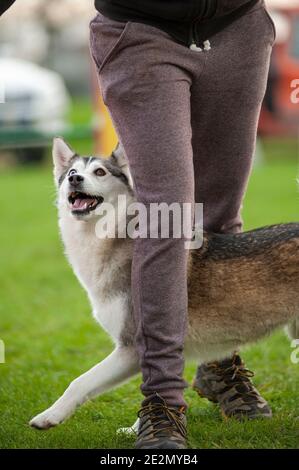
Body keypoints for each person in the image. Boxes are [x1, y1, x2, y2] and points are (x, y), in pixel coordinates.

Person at [1, 0, 275, 449]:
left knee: (218, 216)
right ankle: (163, 402)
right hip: (139, 31)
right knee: (166, 216)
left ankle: (219, 363)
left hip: (238, 29)